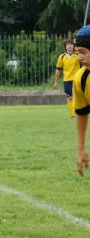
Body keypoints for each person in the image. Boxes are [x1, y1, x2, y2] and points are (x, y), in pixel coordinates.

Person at [72, 25, 90, 176]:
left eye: (83, 52)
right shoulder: (81, 79)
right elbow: (82, 113)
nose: (79, 58)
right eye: (78, 53)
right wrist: (81, 149)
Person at [53, 39, 80, 119]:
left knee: (77, 96)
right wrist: (56, 82)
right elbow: (58, 69)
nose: (70, 46)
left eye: (71, 44)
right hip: (67, 80)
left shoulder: (78, 55)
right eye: (68, 44)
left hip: (77, 79)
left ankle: (77, 112)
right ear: (65, 47)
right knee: (70, 97)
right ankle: (72, 114)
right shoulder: (62, 57)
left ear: (73, 46)